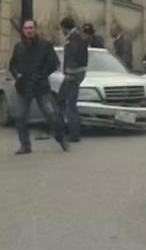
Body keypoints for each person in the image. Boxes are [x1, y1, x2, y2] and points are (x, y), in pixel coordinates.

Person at [8, 19, 69, 154]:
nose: (29, 30)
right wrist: (16, 74)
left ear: (35, 29)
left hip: (41, 87)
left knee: (52, 114)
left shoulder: (45, 46)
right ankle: (25, 145)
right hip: (23, 87)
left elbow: (54, 63)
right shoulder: (19, 47)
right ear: (23, 31)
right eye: (26, 28)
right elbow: (12, 65)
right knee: (20, 116)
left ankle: (61, 138)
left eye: (31, 28)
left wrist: (41, 74)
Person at [59, 17, 88, 143]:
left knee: (70, 105)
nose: (62, 32)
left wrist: (69, 73)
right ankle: (66, 130)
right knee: (62, 101)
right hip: (73, 76)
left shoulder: (74, 39)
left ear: (65, 28)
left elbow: (73, 57)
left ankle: (74, 135)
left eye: (62, 29)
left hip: (72, 77)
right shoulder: (78, 37)